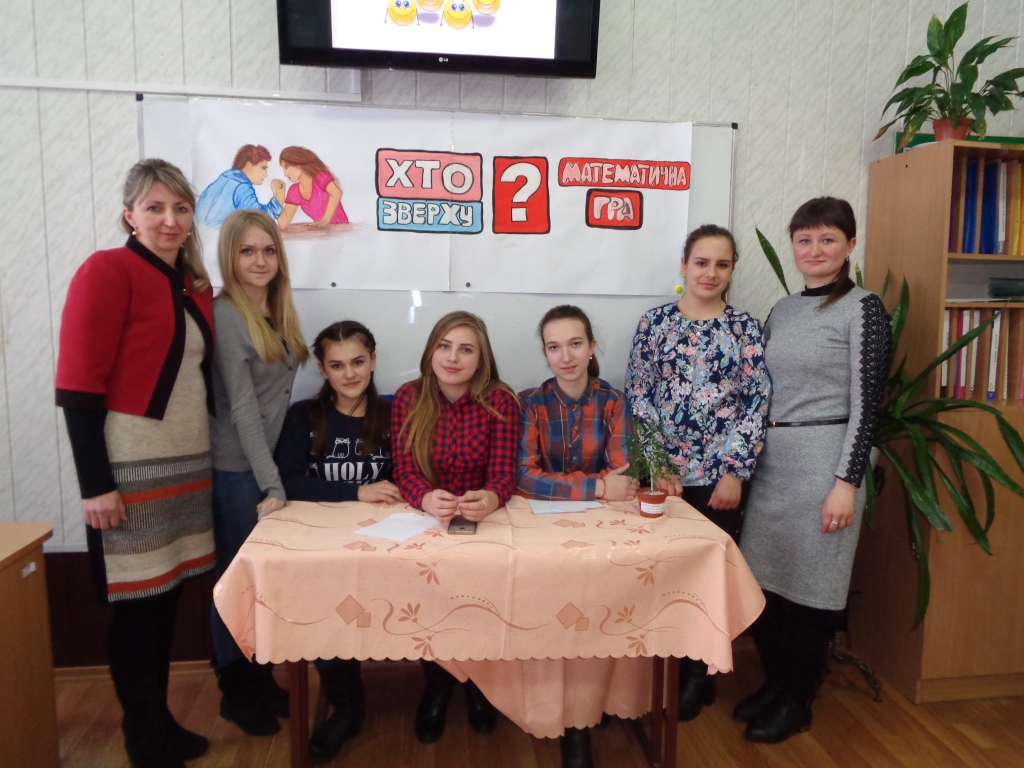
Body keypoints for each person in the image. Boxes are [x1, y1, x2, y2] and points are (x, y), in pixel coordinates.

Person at [55, 159, 215, 768]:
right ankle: (142, 733)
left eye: (180, 208)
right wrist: (95, 485)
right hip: (130, 469)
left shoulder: (192, 285)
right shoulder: (106, 270)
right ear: (130, 215)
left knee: (165, 599)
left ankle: (158, 721)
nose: (169, 220)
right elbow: (77, 387)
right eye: (154, 208)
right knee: (137, 606)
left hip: (185, 464)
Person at [735, 197, 890, 743]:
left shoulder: (863, 308)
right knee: (770, 590)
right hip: (774, 468)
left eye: (828, 239)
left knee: (810, 594)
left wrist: (846, 483)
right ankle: (778, 684)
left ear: (850, 245)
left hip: (826, 468)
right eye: (805, 240)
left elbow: (869, 405)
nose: (815, 250)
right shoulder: (783, 310)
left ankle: (798, 700)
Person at [626, 223, 770, 723]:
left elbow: (756, 402)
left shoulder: (745, 328)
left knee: (707, 584)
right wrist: (655, 463)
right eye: (702, 262)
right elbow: (639, 394)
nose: (711, 273)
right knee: (664, 578)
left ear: (732, 270)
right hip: (663, 479)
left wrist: (735, 472)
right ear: (684, 265)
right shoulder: (655, 323)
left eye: (722, 264)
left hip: (718, 479)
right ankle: (662, 672)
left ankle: (699, 676)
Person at [515, 304, 637, 768]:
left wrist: (587, 487)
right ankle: (556, 711)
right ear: (545, 353)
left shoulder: (614, 401)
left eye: (574, 344)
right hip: (541, 529)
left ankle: (588, 710)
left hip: (599, 529)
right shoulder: (530, 402)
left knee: (599, 611)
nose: (565, 357)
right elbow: (524, 477)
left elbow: (623, 472)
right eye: (554, 347)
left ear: (591, 347)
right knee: (549, 613)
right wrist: (597, 487)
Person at [274, 320, 401, 763]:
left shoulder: (395, 414)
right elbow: (289, 481)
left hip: (386, 540)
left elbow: (412, 474)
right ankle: (348, 706)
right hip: (322, 540)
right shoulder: (302, 417)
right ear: (322, 369)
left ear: (374, 360)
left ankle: (438, 689)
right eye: (337, 365)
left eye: (358, 362)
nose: (349, 374)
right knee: (321, 599)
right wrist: (356, 491)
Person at [390, 310, 518, 744]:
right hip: (426, 521)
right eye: (444, 346)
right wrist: (425, 497)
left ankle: (478, 685)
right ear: (431, 351)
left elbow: (504, 473)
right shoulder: (408, 398)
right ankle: (439, 685)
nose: (452, 358)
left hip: (484, 522)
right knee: (430, 600)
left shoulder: (500, 399)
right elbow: (404, 470)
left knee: (482, 598)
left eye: (466, 350)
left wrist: (491, 497)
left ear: (481, 359)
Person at [208, 209, 309, 736]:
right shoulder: (227, 313)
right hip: (237, 468)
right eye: (247, 251)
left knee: (262, 580)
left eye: (268, 250)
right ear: (230, 256)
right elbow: (244, 410)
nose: (259, 260)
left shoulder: (278, 308)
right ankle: (235, 690)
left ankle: (261, 679)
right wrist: (272, 483)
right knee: (236, 579)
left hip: (265, 463)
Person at [195, 144, 286, 228]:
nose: (266, 174)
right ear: (249, 165)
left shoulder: (226, 177)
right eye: (263, 168)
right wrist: (278, 199)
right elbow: (259, 219)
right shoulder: (242, 186)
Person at [277, 146, 350, 229]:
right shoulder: (294, 191)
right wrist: (279, 196)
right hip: (323, 232)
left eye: (287, 167)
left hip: (341, 230)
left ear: (299, 163)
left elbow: (337, 193)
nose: (285, 174)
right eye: (284, 169)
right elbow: (283, 224)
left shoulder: (320, 177)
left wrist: (325, 220)